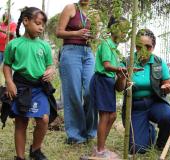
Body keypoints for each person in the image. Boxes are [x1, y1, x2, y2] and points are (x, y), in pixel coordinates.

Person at [3, 7, 54, 160]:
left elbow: (50, 65)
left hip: (39, 88)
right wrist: (9, 82)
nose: (41, 27)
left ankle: (36, 149)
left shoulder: (44, 46)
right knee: (21, 122)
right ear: (26, 21)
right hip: (20, 87)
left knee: (44, 119)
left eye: (43, 25)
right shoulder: (14, 44)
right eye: (38, 23)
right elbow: (6, 65)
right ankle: (20, 157)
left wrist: (51, 71)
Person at [116, 29, 170, 154]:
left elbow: (168, 83)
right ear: (135, 46)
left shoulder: (159, 62)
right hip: (136, 107)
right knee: (136, 149)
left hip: (155, 102)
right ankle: (149, 130)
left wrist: (168, 87)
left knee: (168, 116)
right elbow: (119, 88)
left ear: (153, 47)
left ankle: (162, 144)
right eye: (139, 46)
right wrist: (122, 77)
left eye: (148, 47)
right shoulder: (127, 61)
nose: (143, 50)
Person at [56, 0, 97, 144]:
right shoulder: (70, 8)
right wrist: (77, 33)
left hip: (88, 52)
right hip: (71, 51)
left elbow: (94, 35)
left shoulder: (94, 13)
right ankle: (75, 135)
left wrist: (93, 36)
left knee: (91, 91)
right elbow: (58, 32)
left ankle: (90, 131)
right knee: (73, 92)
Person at [88, 15, 129, 159]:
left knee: (112, 115)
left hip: (108, 82)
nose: (125, 33)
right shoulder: (106, 44)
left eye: (126, 30)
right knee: (105, 115)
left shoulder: (115, 47)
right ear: (113, 29)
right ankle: (100, 150)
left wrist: (123, 70)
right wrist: (120, 69)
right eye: (123, 30)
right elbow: (106, 66)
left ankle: (101, 146)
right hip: (102, 80)